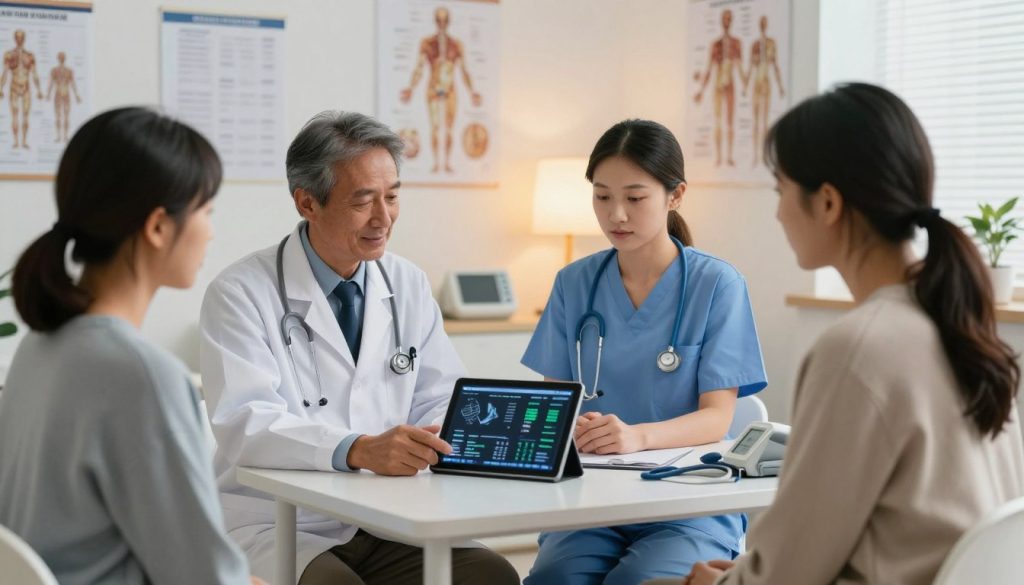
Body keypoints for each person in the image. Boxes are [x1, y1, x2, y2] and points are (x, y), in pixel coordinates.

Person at [674, 83, 1024, 585]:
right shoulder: (960, 323)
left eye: (781, 191)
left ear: (829, 203)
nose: (777, 212)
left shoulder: (859, 350)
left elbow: (785, 574)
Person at [198, 110, 518, 585]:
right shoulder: (241, 292)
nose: (383, 218)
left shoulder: (406, 282)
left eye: (392, 197)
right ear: (307, 202)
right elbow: (245, 423)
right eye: (363, 201)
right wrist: (358, 450)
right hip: (281, 520)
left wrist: (456, 435)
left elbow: (441, 394)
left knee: (490, 576)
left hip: (389, 517)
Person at [0, 107, 260, 584]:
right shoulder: (143, 376)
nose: (211, 230)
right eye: (207, 210)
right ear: (159, 226)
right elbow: (201, 577)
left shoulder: (40, 347)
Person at [520, 118, 768, 585]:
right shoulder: (574, 284)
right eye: (602, 196)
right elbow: (556, 404)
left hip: (685, 498)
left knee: (641, 582)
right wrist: (570, 426)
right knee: (556, 580)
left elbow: (717, 419)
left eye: (635, 198)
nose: (616, 215)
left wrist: (637, 437)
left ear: (675, 195)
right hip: (590, 500)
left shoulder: (717, 285)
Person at [399, 6, 482, 173]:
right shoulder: (427, 43)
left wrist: (472, 91)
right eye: (439, 20)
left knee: (449, 128)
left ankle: (448, 162)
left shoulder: (457, 44)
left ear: (448, 22)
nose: (442, 24)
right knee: (435, 127)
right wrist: (411, 88)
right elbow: (419, 68)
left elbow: (464, 70)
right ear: (435, 21)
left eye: (445, 20)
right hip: (433, 88)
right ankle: (437, 163)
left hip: (450, 89)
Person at [693, 9, 743, 167]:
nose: (726, 21)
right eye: (724, 18)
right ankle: (719, 156)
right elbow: (709, 68)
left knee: (730, 121)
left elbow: (740, 67)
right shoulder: (716, 44)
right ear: (721, 21)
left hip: (730, 84)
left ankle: (729, 155)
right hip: (718, 85)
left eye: (729, 18)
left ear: (731, 21)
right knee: (718, 121)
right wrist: (701, 90)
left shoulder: (736, 43)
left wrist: (747, 84)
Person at [742, 16, 784, 167]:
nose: (763, 25)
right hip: (757, 82)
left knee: (765, 120)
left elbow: (776, 65)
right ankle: (755, 155)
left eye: (765, 22)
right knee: (755, 120)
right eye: (761, 23)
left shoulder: (771, 44)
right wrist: (745, 86)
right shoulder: (755, 45)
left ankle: (763, 157)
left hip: (766, 81)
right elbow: (750, 67)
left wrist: (780, 86)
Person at [0, 29, 43, 149]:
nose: (19, 39)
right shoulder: (9, 54)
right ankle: (15, 141)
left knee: (25, 115)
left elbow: (34, 74)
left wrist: (39, 90)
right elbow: (5, 73)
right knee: (14, 115)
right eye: (17, 37)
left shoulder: (30, 56)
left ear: (24, 39)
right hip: (14, 86)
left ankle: (24, 141)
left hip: (26, 87)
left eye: (21, 37)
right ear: (15, 39)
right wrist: (1, 87)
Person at [46, 51, 81, 143]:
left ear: (64, 59)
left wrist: (77, 95)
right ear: (58, 58)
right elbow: (51, 83)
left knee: (66, 116)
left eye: (62, 57)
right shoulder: (54, 71)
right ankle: (58, 136)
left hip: (66, 94)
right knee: (58, 116)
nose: (61, 58)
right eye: (60, 57)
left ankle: (65, 136)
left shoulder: (69, 71)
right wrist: (48, 94)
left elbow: (73, 83)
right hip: (58, 94)